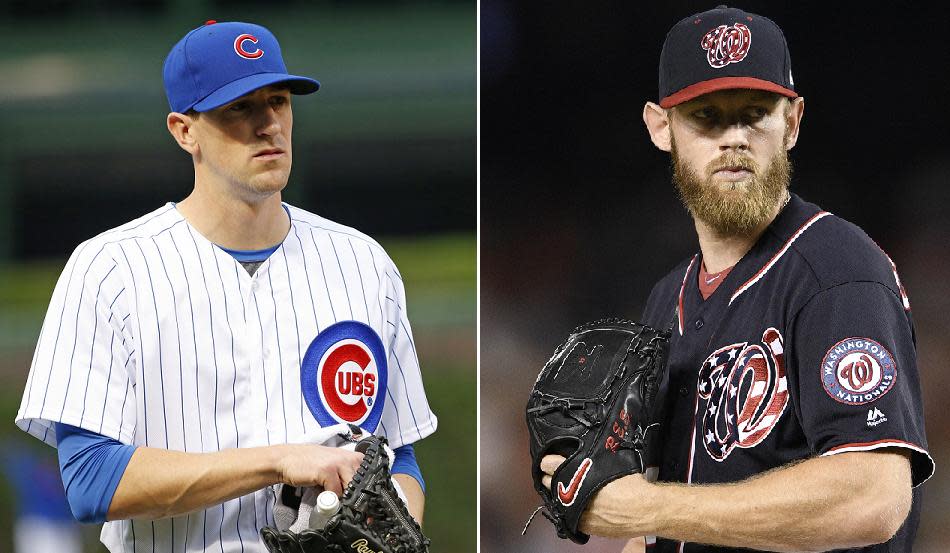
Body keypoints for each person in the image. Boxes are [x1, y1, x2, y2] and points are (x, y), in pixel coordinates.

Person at [15, 20, 437, 552]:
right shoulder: (109, 270)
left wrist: (394, 533)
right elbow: (91, 479)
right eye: (239, 107)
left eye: (279, 101)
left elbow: (399, 457)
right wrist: (276, 461)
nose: (269, 125)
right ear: (183, 129)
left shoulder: (363, 264)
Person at [539, 6, 932, 552]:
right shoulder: (666, 297)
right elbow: (659, 526)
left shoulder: (837, 272)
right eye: (707, 116)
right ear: (661, 127)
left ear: (791, 122)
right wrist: (633, 517)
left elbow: (873, 497)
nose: (735, 138)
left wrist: (643, 507)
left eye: (754, 113)